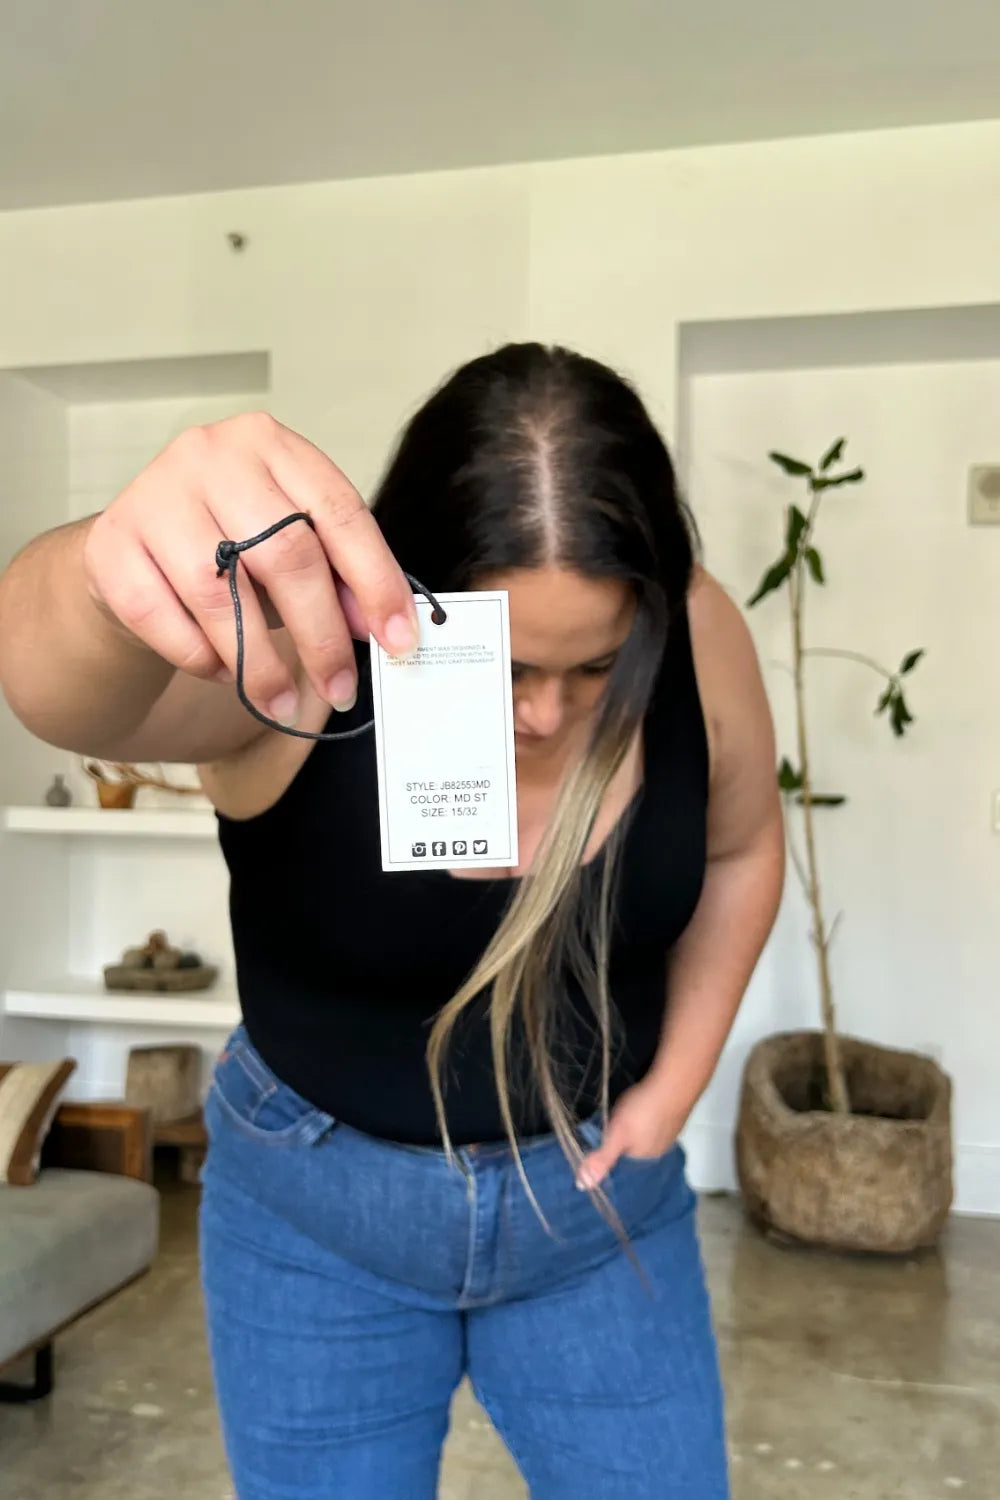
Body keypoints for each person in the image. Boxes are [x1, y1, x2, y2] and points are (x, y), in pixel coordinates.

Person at [0, 343, 784, 1499]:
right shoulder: (297, 652)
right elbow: (49, 683)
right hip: (317, 1222)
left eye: (598, 666)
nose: (546, 712)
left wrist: (671, 1093)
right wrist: (98, 573)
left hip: (593, 1213)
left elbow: (740, 844)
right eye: (509, 664)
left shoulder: (698, 628)